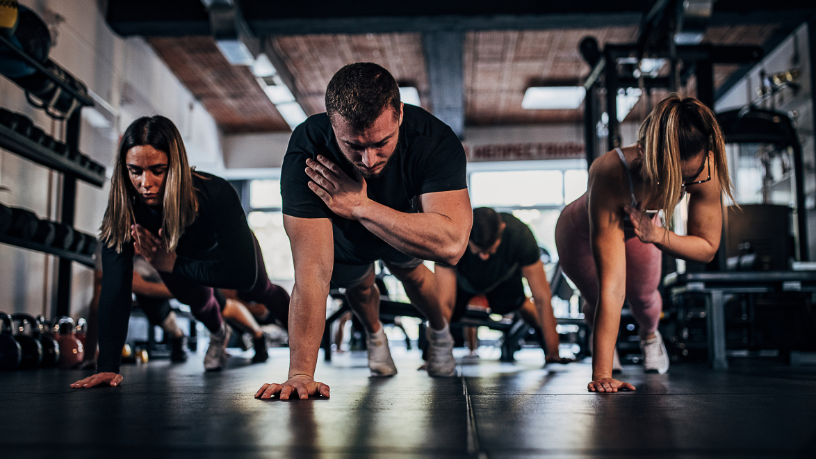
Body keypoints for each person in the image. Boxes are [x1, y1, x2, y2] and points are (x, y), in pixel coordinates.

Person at [255, 62, 472, 400]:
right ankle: (375, 336)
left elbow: (452, 244)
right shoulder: (308, 148)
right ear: (331, 122)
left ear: (400, 114)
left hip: (401, 222)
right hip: (344, 232)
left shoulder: (433, 141)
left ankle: (440, 333)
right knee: (360, 285)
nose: (369, 160)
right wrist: (300, 373)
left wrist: (360, 205)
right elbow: (312, 273)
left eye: (381, 143)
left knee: (413, 275)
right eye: (354, 146)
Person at [71, 115, 290, 389]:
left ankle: (307, 346)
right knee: (195, 298)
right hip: (174, 259)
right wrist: (108, 367)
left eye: (157, 170)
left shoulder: (216, 192)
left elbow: (242, 275)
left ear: (176, 165)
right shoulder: (123, 209)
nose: (145, 183)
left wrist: (173, 264)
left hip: (224, 253)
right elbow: (115, 287)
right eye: (135, 171)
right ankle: (219, 332)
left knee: (259, 289)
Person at [555, 95, 734, 393]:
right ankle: (604, 349)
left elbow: (706, 248)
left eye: (685, 180)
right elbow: (613, 287)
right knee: (598, 295)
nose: (679, 187)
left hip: (639, 227)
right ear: (644, 152)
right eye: (671, 177)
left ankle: (650, 335)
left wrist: (656, 235)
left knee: (645, 299)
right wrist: (602, 375)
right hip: (579, 233)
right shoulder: (609, 170)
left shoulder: (705, 166)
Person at [437, 207, 573, 365]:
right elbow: (443, 302)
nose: (484, 256)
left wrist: (554, 353)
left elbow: (542, 298)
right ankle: (431, 353)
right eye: (478, 251)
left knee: (527, 307)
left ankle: (549, 350)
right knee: (437, 309)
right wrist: (436, 355)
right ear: (465, 233)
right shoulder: (451, 236)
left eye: (489, 250)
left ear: (502, 229)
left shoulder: (520, 235)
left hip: (503, 282)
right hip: (462, 283)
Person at [79, 243, 189, 370]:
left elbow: (186, 291)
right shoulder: (108, 244)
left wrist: (142, 287)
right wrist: (89, 357)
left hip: (162, 284)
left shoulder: (168, 244)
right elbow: (99, 299)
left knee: (154, 308)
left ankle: (178, 335)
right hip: (134, 283)